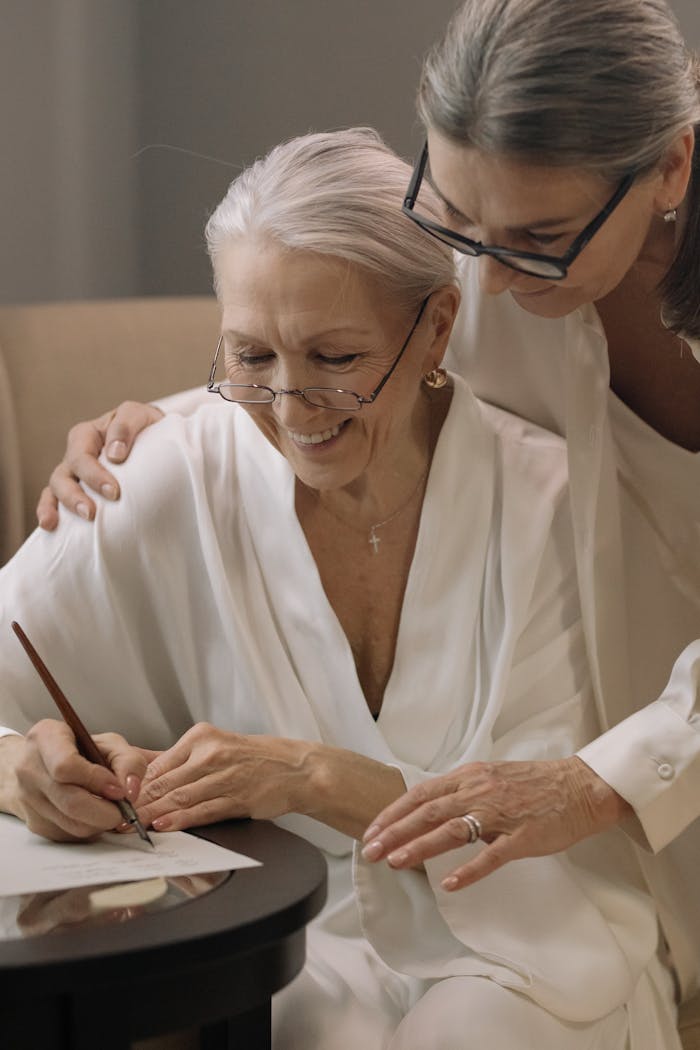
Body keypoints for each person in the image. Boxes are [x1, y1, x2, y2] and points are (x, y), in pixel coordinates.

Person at [40, 0, 700, 1013]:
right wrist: (177, 418)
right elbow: (350, 323)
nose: (486, 270)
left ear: (670, 169)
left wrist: (596, 782)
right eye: (457, 219)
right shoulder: (484, 251)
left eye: (539, 238)